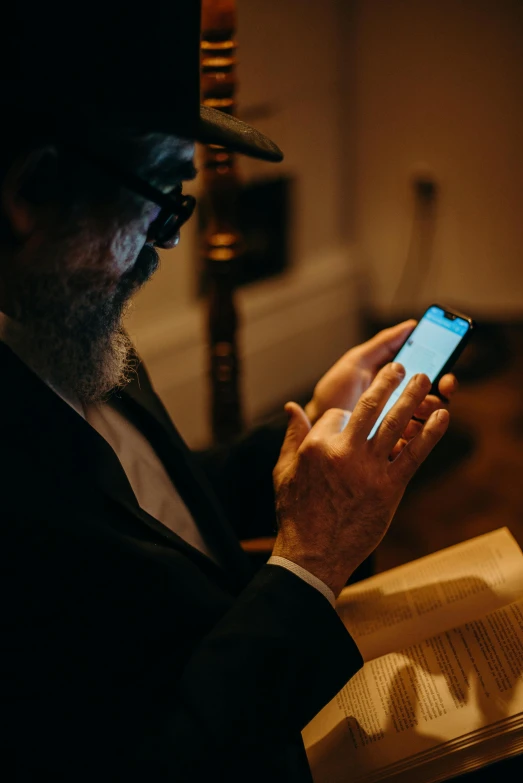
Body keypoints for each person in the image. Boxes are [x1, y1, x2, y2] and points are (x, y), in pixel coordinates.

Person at [1, 3, 457, 781]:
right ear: (34, 190)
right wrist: (312, 559)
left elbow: (143, 503)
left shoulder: (62, 314)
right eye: (163, 194)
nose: (170, 236)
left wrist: (313, 436)